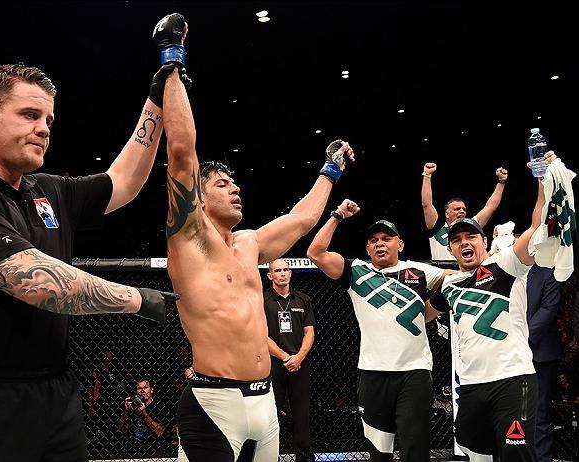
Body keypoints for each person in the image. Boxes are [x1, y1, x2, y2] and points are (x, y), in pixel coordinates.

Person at [0, 63, 177, 462]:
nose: (45, 128)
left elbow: (125, 181)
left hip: (55, 395)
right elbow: (37, 282)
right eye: (30, 115)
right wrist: (141, 299)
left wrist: (155, 103)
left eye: (48, 119)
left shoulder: (47, 190)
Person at [154, 13, 353, 461]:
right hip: (213, 403)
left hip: (264, 403)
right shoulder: (188, 239)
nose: (236, 188)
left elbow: (302, 221)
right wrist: (171, 62)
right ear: (199, 201)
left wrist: (330, 170)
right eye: (223, 185)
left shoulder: (249, 243)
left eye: (236, 184)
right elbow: (182, 152)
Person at [428, 151, 560, 461]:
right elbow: (421, 315)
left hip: (513, 380)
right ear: (449, 248)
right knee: (475, 452)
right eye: (457, 240)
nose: (464, 243)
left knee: (516, 454)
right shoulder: (448, 284)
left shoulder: (507, 264)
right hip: (472, 385)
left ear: (484, 241)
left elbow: (538, 223)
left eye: (471, 236)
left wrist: (542, 177)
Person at [307, 201, 446, 462]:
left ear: (400, 244)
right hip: (373, 372)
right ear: (367, 248)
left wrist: (491, 257)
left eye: (386, 238)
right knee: (378, 452)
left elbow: (456, 278)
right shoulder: (356, 270)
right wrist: (337, 216)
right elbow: (315, 252)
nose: (380, 243)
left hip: (414, 372)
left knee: (415, 449)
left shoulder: (420, 271)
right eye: (373, 240)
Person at [264, 258, 316, 462]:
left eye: (286, 269)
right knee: (271, 415)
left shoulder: (303, 299)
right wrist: (285, 357)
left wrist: (299, 357)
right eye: (278, 270)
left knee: (302, 415)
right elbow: (260, 334)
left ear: (291, 273)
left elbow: (310, 331)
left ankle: (304, 458)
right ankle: (269, 457)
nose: (283, 273)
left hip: (299, 365)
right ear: (270, 276)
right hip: (273, 365)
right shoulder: (262, 300)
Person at [421, 162, 508, 260]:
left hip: (469, 274)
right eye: (457, 209)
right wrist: (427, 175)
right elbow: (427, 204)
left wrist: (501, 182)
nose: (462, 211)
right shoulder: (437, 229)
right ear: (447, 214)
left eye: (464, 209)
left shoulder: (471, 225)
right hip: (445, 274)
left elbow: (490, 207)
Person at [526, 265, 562, 462]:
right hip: (508, 354)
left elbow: (549, 308)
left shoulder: (547, 273)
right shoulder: (501, 272)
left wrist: (522, 337)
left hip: (540, 353)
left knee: (540, 413)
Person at [117, 378, 171, 457]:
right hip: (134, 448)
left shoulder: (160, 406)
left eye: (145, 387)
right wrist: (126, 411)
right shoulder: (133, 406)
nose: (142, 391)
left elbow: (160, 432)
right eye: (139, 388)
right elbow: (121, 429)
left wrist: (144, 414)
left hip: (154, 449)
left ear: (151, 390)